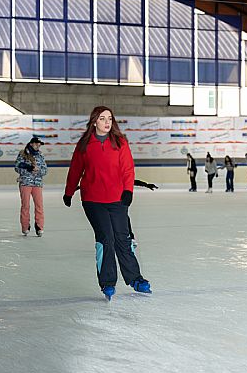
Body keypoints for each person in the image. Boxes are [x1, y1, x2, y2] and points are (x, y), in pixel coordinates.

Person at [63, 106, 151, 300]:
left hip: (118, 199)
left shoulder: (120, 142)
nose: (107, 122)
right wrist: (69, 192)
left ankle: (135, 278)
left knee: (123, 239)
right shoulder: (85, 144)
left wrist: (128, 190)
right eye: (102, 119)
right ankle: (108, 283)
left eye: (109, 118)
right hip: (93, 201)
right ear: (94, 121)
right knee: (106, 239)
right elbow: (75, 170)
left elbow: (128, 169)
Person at [15, 137, 47, 236]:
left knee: (39, 205)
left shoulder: (40, 155)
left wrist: (38, 170)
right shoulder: (23, 154)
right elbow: (17, 167)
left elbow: (45, 170)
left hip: (37, 183)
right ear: (32, 144)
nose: (38, 146)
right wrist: (29, 168)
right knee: (25, 205)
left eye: (40, 144)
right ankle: (25, 226)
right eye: (37, 144)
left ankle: (39, 226)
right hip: (25, 183)